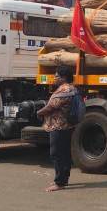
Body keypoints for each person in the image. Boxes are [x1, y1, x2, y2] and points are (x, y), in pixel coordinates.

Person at [37, 65, 76, 193]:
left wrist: (39, 112)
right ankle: (63, 179)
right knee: (64, 153)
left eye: (57, 76)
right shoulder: (71, 88)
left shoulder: (64, 89)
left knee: (56, 153)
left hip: (59, 126)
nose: (54, 78)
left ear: (63, 77)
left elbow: (51, 107)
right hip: (66, 125)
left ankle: (59, 182)